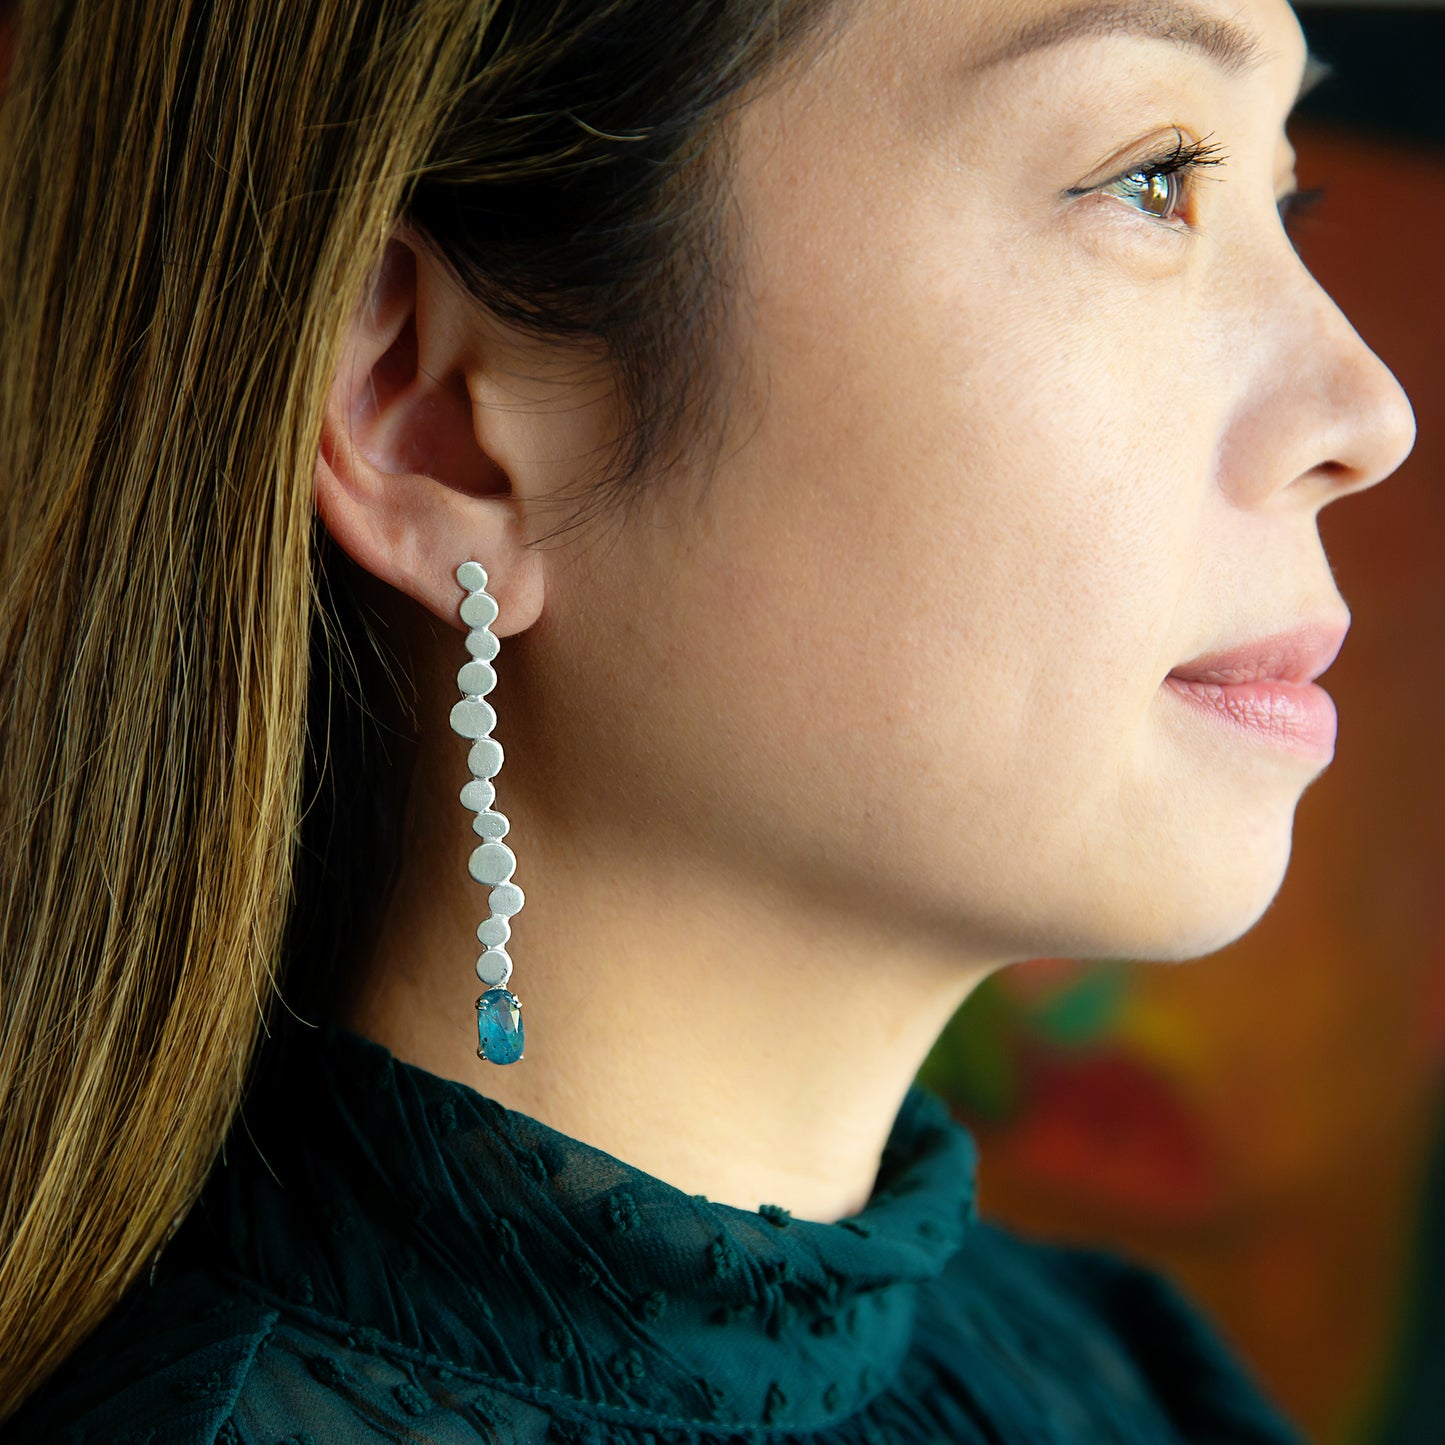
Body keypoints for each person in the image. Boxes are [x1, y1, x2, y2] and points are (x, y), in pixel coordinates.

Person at [0, 0, 1416, 1438]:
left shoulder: (1142, 1382)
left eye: (1282, 195)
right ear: (437, 417)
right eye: (1152, 177)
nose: (1371, 415)